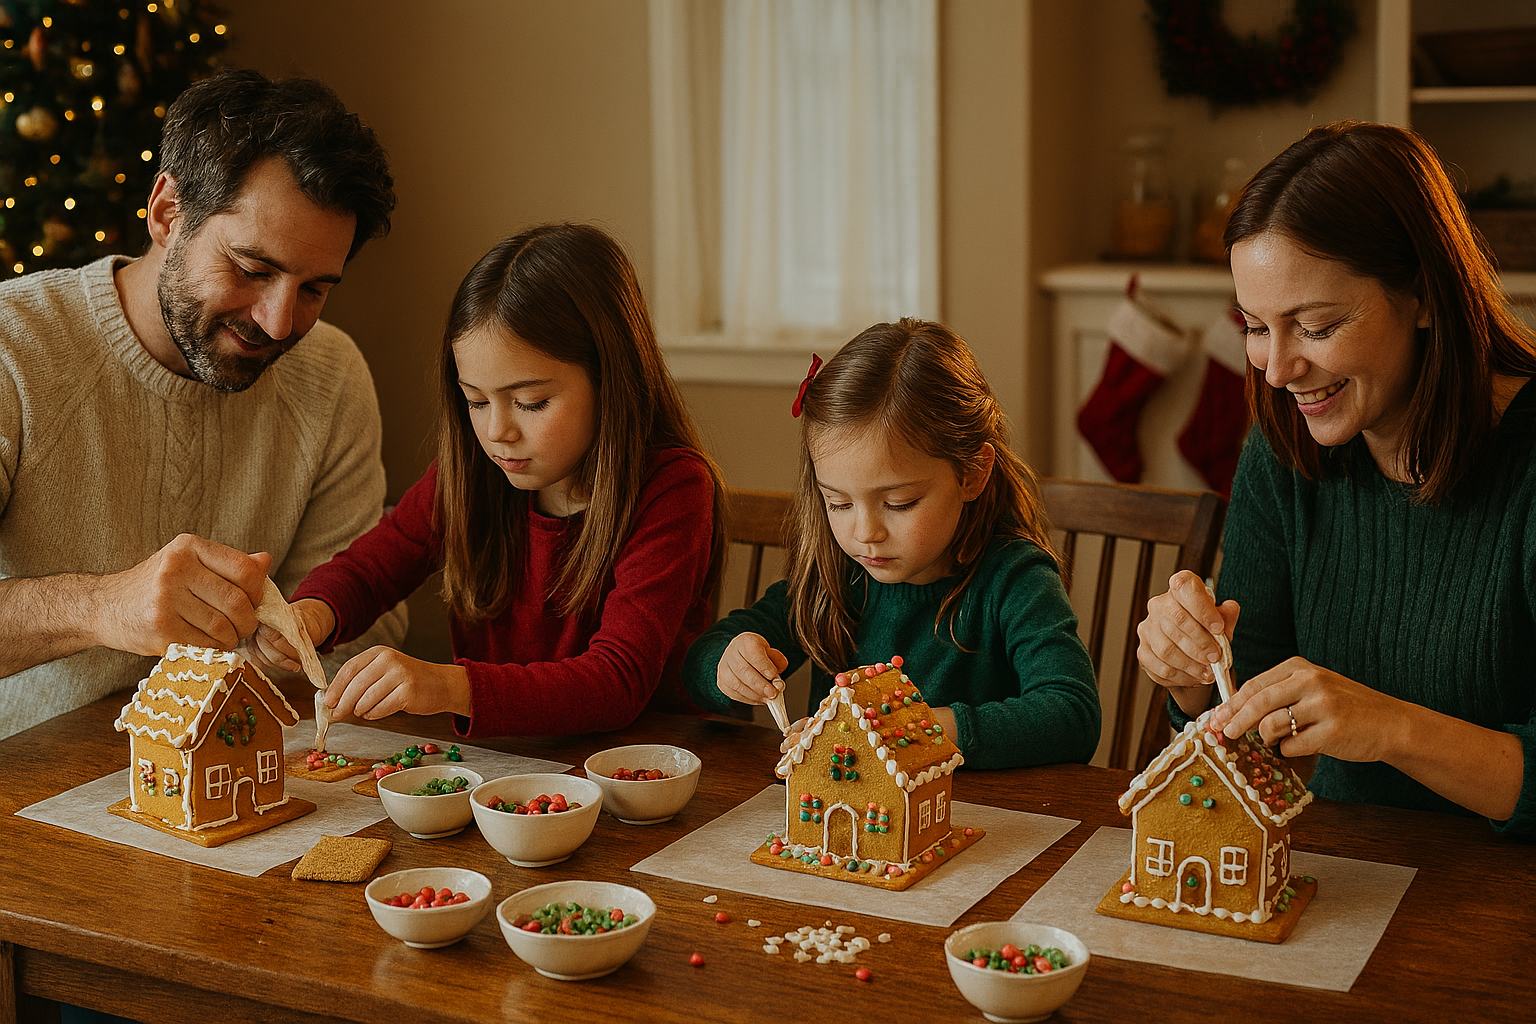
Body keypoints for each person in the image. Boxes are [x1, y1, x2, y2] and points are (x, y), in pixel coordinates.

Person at [1135, 121, 1536, 835]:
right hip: (1352, 876)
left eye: (1315, 327)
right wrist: (1194, 681)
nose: (1278, 369)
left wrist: (1390, 727)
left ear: (1421, 295)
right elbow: (1251, 714)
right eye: (1255, 326)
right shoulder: (1284, 452)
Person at [0, 68, 405, 740]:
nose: (279, 323)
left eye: (314, 289)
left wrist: (304, 630)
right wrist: (102, 608)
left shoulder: (331, 375)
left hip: (234, 772)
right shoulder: (14, 350)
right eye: (251, 269)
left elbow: (371, 619)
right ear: (166, 212)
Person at [255, 223, 727, 737]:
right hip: (504, 763)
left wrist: (446, 686)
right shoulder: (476, 469)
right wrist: (313, 613)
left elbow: (615, 682)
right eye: (476, 401)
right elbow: (376, 565)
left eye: (530, 402)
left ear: (610, 379)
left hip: (643, 770)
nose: (497, 431)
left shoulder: (674, 488)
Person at [683, 319, 1101, 770]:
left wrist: (911, 732)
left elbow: (1072, 715)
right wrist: (730, 664)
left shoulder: (1015, 578)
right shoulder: (837, 577)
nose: (866, 533)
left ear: (973, 474)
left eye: (900, 503)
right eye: (838, 503)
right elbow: (700, 664)